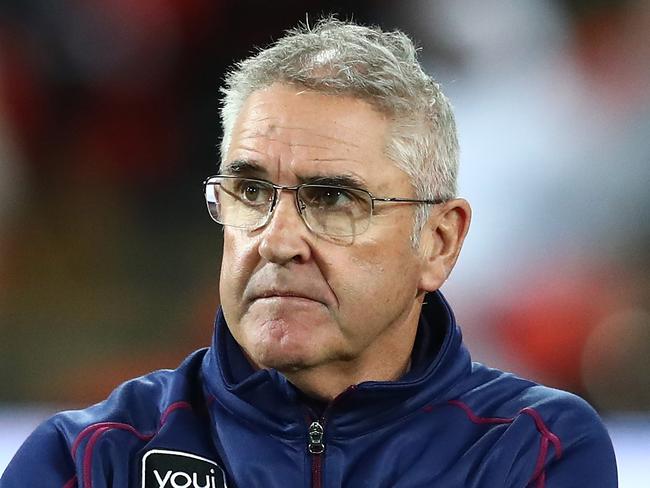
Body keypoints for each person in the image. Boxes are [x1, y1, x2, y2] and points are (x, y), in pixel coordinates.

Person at [1, 18, 617, 488]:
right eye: (249, 191)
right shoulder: (91, 458)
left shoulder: (533, 449)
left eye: (332, 200)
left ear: (438, 241)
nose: (277, 239)